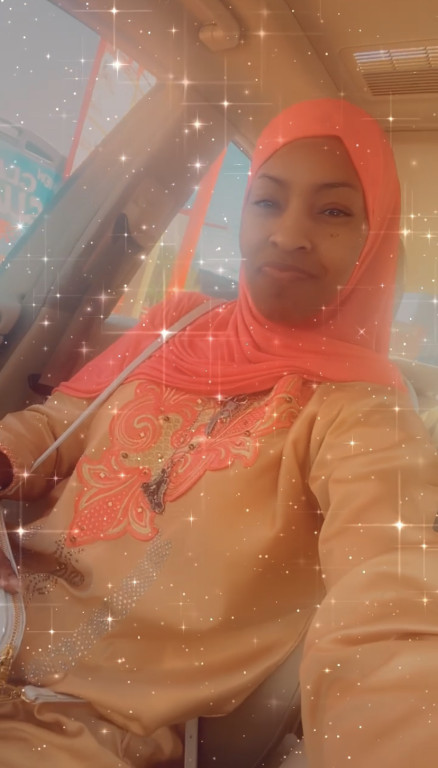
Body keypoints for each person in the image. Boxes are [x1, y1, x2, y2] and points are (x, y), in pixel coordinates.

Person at [0, 98, 437, 768]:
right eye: (267, 201)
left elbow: (390, 589)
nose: (288, 235)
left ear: (372, 239)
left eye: (333, 211)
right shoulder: (178, 325)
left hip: (89, 721)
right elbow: (55, 428)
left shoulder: (364, 412)